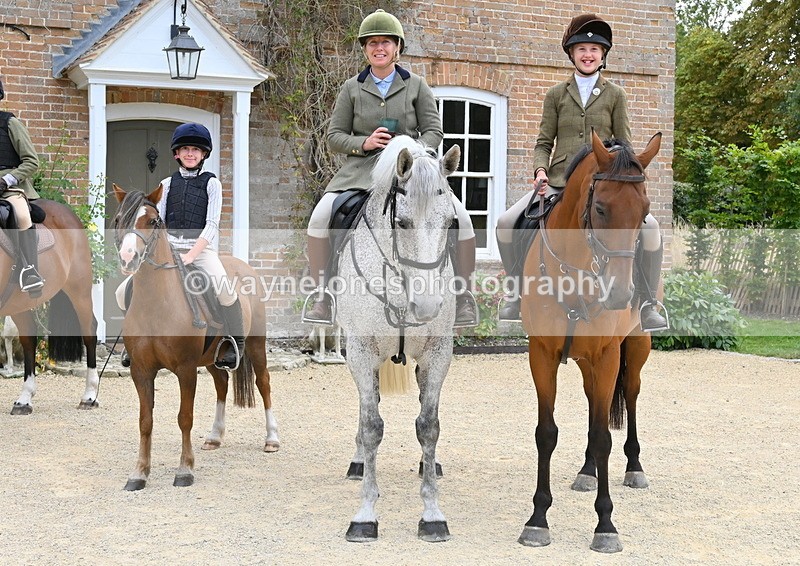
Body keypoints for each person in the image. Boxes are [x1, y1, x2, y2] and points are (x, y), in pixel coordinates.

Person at [303, 8, 478, 327]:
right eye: (372, 43)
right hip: (360, 174)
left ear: (397, 47)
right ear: (365, 49)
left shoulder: (418, 86)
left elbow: (434, 131)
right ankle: (323, 295)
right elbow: (333, 136)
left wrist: (410, 148)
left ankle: (463, 295)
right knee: (320, 217)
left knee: (461, 218)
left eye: (385, 42)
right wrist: (364, 143)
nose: (379, 48)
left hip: (409, 174)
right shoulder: (351, 88)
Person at [495, 14, 668, 332]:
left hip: (602, 188)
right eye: (581, 49)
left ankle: (646, 302)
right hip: (560, 183)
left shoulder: (616, 95)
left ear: (603, 56)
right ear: (572, 54)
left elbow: (624, 145)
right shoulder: (556, 96)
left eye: (594, 49)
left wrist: (624, 178)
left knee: (652, 229)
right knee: (506, 223)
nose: (588, 54)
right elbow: (544, 142)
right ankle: (515, 294)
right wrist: (540, 170)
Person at [117, 123, 244, 369]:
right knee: (121, 291)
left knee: (224, 288)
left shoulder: (212, 184)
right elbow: (158, 223)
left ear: (204, 154)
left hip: (202, 251)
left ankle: (232, 343)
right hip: (169, 250)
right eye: (185, 149)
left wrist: (192, 254)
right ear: (176, 153)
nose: (190, 153)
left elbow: (212, 225)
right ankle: (133, 341)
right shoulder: (166, 183)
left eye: (195, 150)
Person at [0, 79, 44, 296]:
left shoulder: (10, 123)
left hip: (8, 187)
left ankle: (30, 271)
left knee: (22, 215)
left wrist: (7, 179)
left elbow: (31, 161)